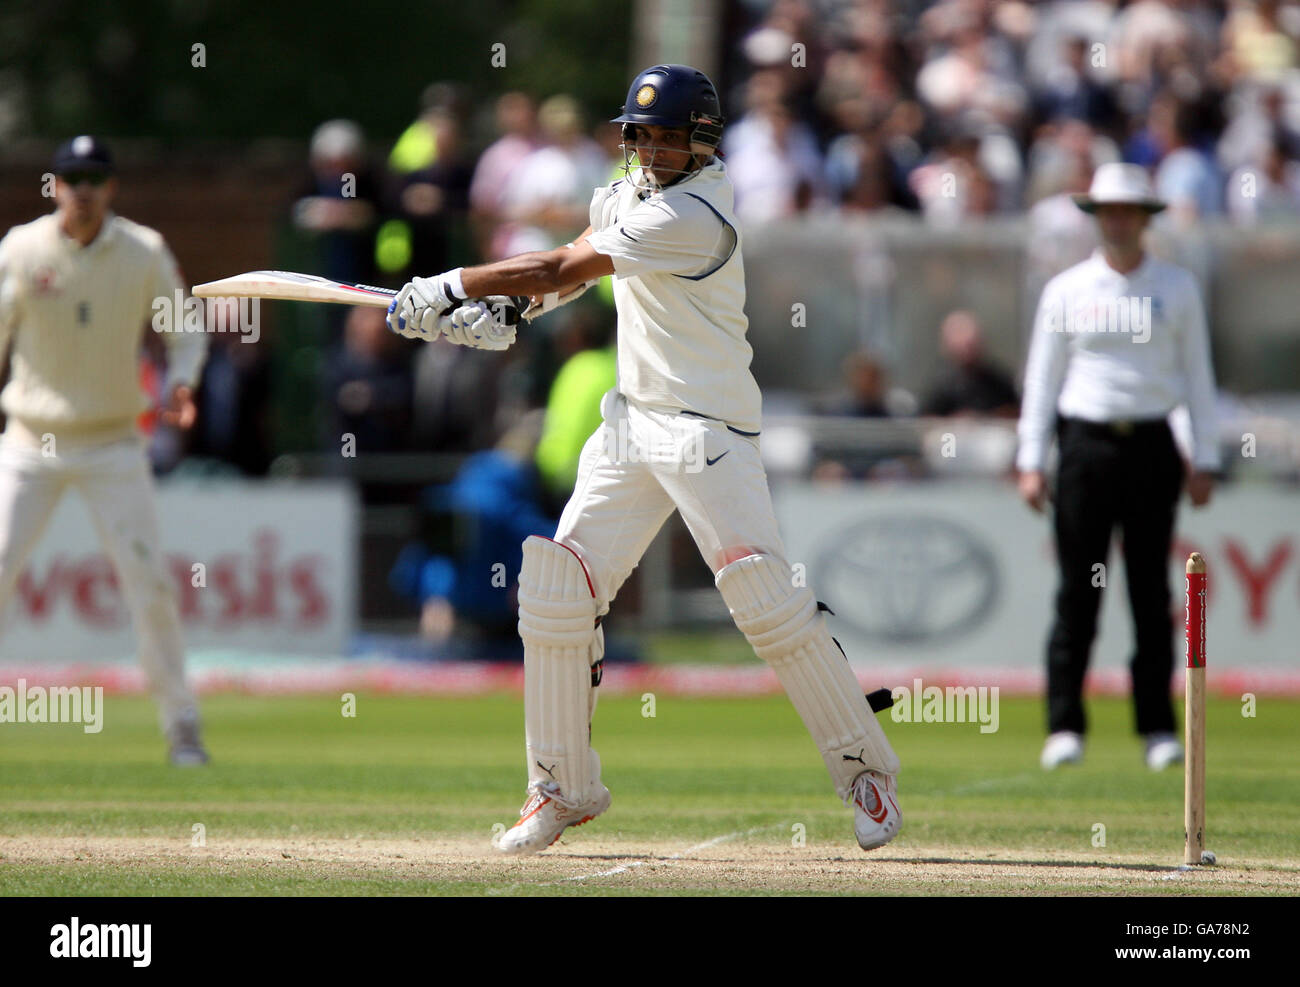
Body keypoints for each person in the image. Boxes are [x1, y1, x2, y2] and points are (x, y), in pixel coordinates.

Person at [387, 65, 902, 854]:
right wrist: (504, 310)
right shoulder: (627, 193)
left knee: (767, 604)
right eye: (644, 135)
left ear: (702, 141)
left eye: (671, 137)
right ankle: (561, 787)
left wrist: (450, 285)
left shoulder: (696, 214)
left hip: (710, 429)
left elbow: (559, 268)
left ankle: (866, 771)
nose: (655, 150)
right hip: (631, 424)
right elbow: (570, 268)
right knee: (558, 589)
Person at [0, 136, 209, 764]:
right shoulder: (22, 248)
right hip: (29, 441)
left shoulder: (142, 251)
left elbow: (185, 328)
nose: (83, 189)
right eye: (72, 177)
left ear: (110, 187)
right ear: (55, 185)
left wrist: (182, 384)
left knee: (149, 584)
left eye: (94, 177)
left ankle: (182, 729)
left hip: (115, 442)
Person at [1016, 163, 1220, 772]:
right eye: (1108, 211)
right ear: (1096, 218)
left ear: (1145, 218)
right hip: (1085, 447)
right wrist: (1032, 460)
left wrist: (1203, 457)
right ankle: (1064, 725)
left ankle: (1157, 725)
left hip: (1152, 446)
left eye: (1128, 211)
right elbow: (1042, 381)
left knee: (1149, 592)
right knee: (1079, 590)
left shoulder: (1177, 288)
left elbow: (1197, 381)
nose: (1119, 221)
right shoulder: (1068, 290)